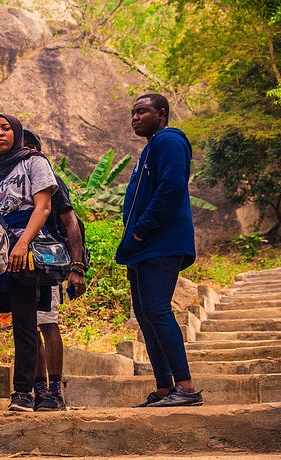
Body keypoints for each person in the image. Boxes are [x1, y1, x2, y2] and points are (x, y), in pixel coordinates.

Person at [117, 93, 202, 407]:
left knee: (157, 309)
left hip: (159, 242)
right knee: (145, 314)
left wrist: (142, 230)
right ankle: (165, 387)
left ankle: (187, 387)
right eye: (132, 113)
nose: (135, 118)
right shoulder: (149, 148)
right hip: (142, 247)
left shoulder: (169, 140)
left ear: (162, 113)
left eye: (142, 111)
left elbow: (171, 187)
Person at [0, 113, 55, 412]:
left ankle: (24, 391)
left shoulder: (33, 161)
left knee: (25, 321)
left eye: (5, 129)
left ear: (16, 133)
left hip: (22, 247)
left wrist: (24, 243)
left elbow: (43, 206)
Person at [22, 128, 88, 411]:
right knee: (28, 326)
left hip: (46, 264)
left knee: (47, 322)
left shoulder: (50, 179)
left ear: (37, 151)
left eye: (26, 149)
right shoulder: (6, 180)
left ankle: (55, 391)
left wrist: (77, 266)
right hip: (19, 265)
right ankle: (38, 390)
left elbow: (71, 222)